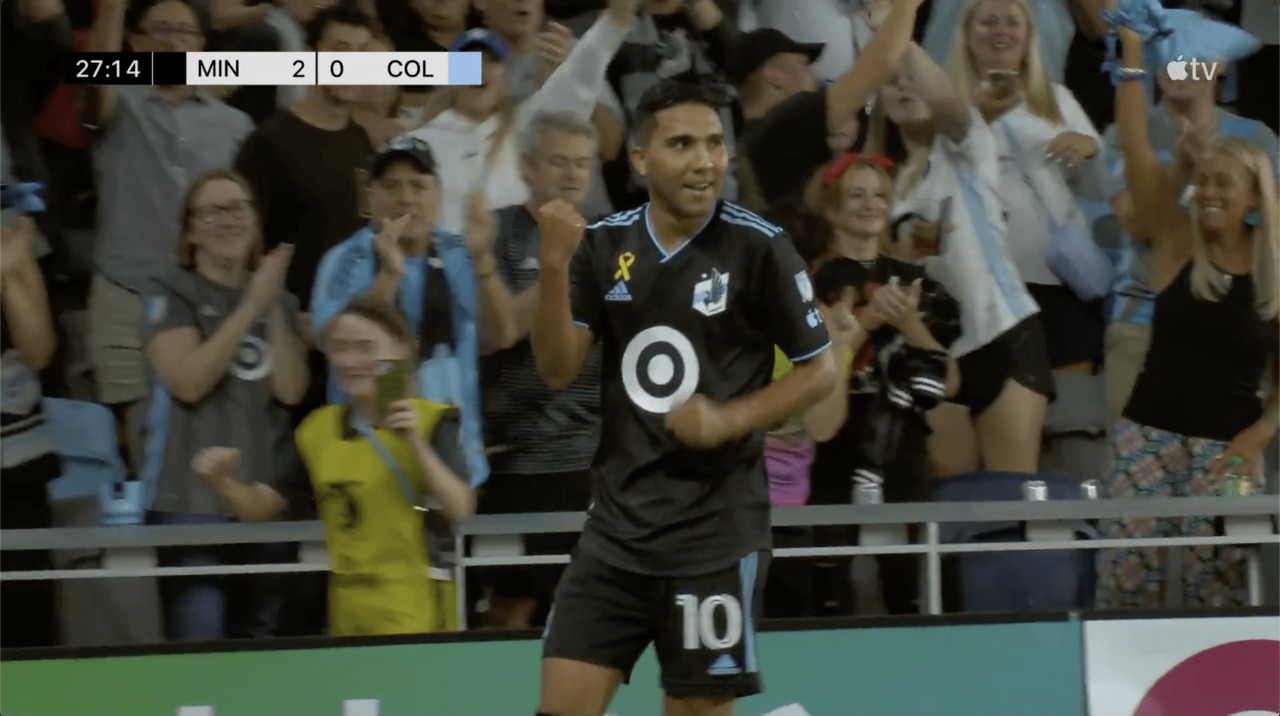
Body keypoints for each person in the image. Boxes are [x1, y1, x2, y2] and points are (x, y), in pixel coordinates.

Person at [532, 79, 837, 716]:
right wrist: (555, 269)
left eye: (714, 143)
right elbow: (558, 368)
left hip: (714, 540)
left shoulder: (760, 247)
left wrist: (729, 418)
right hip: (614, 533)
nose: (704, 160)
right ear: (640, 159)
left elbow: (821, 370)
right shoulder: (605, 244)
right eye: (682, 144)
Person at [1094, 26, 1279, 608]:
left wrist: (1258, 434)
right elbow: (1134, 145)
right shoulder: (1177, 243)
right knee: (1125, 586)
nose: (1207, 192)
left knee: (1217, 594)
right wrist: (1130, 59)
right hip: (1145, 438)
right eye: (1203, 182)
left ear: (1255, 200)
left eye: (1223, 183)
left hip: (1227, 450)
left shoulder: (1274, 272)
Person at [193, 297, 477, 636]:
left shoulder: (433, 422)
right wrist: (225, 483)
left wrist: (416, 445)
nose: (350, 361)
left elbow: (460, 508)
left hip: (418, 601)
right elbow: (264, 505)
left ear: (400, 351)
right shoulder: (318, 429)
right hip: (345, 606)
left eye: (365, 348)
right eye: (340, 348)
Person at [864, 41, 1053, 479]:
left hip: (1003, 332)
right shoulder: (877, 182)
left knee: (1010, 494)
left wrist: (899, 30)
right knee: (947, 498)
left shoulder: (966, 146)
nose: (904, 87)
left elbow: (949, 103)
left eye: (914, 78)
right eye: (893, 82)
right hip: (932, 345)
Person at [138, 169, 309, 641]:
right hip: (187, 502)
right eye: (212, 211)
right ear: (191, 230)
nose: (228, 220)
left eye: (239, 208)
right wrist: (251, 306)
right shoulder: (167, 290)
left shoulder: (281, 300)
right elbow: (188, 382)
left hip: (261, 498)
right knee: (201, 639)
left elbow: (291, 390)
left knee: (260, 641)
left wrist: (271, 305)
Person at [83, 0, 254, 470]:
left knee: (210, 431)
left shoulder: (235, 124)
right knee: (138, 438)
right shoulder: (119, 103)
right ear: (134, 43)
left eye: (187, 32)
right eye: (160, 29)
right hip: (125, 293)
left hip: (204, 299)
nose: (175, 40)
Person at [477, 110, 603, 630]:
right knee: (513, 611)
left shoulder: (609, 242)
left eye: (582, 164)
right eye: (558, 162)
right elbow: (495, 333)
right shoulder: (497, 232)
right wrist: (558, 263)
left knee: (583, 610)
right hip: (513, 460)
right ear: (527, 165)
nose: (573, 175)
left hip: (589, 460)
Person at [946, 0, 1107, 376]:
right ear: (968, 37)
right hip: (981, 286)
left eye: (1012, 23)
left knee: (1071, 414)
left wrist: (1089, 151)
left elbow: (1098, 189)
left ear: (1028, 36)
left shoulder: (1057, 99)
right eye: (988, 22)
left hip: (1057, 279)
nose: (1001, 31)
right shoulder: (948, 104)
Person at [0, 207, 60, 648]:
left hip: (19, 457)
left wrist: (8, 275)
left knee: (25, 623)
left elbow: (39, 350)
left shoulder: (10, 238)